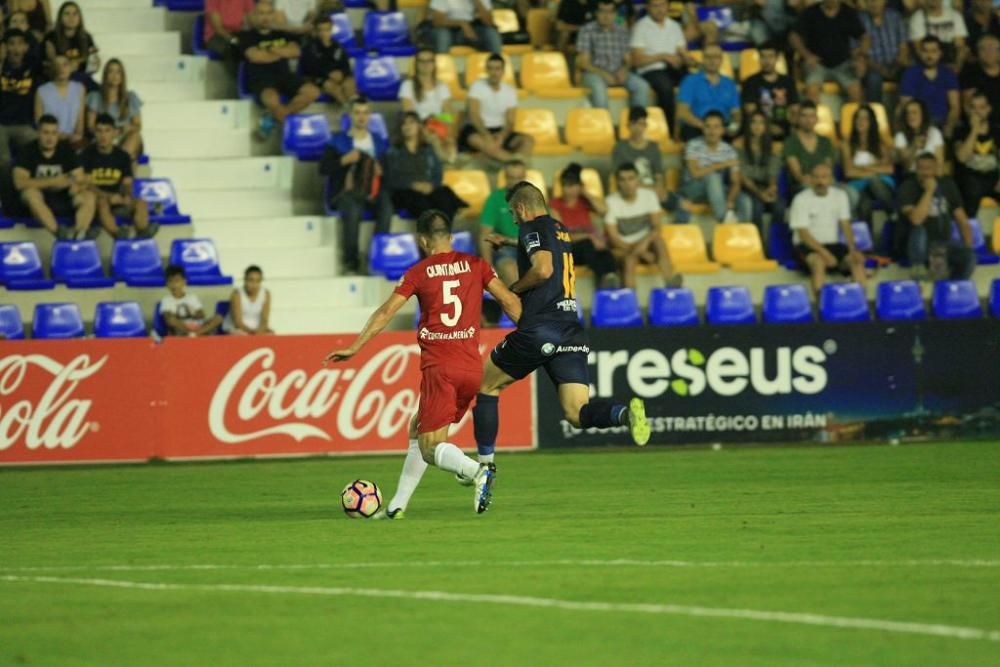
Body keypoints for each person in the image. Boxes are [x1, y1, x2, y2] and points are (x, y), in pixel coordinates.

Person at [325, 209, 522, 517]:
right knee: (419, 427)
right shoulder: (477, 265)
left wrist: (355, 346)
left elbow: (385, 313)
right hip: (472, 368)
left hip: (440, 368)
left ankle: (477, 471)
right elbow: (509, 302)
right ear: (451, 238)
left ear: (422, 241)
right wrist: (534, 336)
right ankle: (396, 506)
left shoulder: (418, 272)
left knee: (431, 447)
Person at [472, 181, 651, 511]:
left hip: (541, 328)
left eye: (514, 214)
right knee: (576, 413)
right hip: (571, 329)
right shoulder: (559, 228)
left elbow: (543, 269)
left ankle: (484, 469)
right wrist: (510, 241)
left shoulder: (530, 227)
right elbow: (546, 250)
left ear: (523, 209)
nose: (514, 220)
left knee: (486, 387)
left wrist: (515, 287)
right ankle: (623, 414)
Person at [318, 95, 390, 275]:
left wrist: (382, 171)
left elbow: (389, 172)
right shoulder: (337, 141)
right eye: (357, 112)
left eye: (365, 113)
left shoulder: (378, 142)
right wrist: (343, 160)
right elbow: (323, 169)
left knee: (387, 205)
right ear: (350, 115)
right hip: (346, 191)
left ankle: (377, 255)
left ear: (370, 115)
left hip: (372, 191)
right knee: (352, 208)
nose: (361, 117)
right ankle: (351, 261)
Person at [238, 0, 320, 140]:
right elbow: (256, 57)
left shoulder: (282, 33)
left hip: (285, 77)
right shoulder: (246, 36)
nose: (265, 17)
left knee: (313, 92)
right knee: (273, 99)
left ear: (273, 15)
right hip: (262, 80)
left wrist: (269, 51)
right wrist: (280, 52)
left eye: (269, 13)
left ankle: (271, 119)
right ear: (255, 15)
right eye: (261, 13)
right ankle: (288, 130)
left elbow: (295, 52)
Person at [13, 114, 95, 239]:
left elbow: (80, 177)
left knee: (88, 196)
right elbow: (19, 183)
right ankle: (60, 234)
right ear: (38, 133)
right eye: (46, 133)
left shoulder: (66, 149)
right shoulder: (27, 151)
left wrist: (75, 184)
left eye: (54, 133)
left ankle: (80, 234)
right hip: (37, 202)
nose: (50, 138)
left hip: (63, 198)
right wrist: (53, 181)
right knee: (30, 193)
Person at [789, 163, 867, 293]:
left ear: (831, 179)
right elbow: (803, 234)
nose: (820, 181)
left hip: (833, 244)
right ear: (810, 179)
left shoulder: (840, 195)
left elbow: (846, 225)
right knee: (819, 262)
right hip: (807, 246)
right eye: (816, 177)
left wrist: (853, 250)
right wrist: (824, 253)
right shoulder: (800, 199)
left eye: (824, 177)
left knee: (856, 261)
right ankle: (822, 308)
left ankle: (859, 304)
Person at [898, 152, 976, 281]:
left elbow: (963, 222)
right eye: (921, 168)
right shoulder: (908, 187)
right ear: (916, 170)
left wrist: (968, 248)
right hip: (918, 246)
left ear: (936, 169)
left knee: (969, 257)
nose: (925, 172)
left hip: (943, 243)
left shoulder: (947, 185)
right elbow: (916, 220)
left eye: (929, 168)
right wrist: (929, 191)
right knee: (919, 230)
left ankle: (953, 286)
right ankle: (919, 270)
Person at [604, 162, 681, 289]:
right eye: (623, 180)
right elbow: (614, 238)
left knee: (658, 241)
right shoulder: (610, 201)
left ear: (637, 180)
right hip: (624, 247)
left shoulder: (649, 196)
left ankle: (670, 283)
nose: (627, 184)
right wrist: (641, 252)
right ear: (618, 183)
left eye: (631, 179)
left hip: (646, 241)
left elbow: (657, 227)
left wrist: (644, 245)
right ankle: (630, 300)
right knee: (629, 260)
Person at [380, 112, 467, 223]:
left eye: (411, 122)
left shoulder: (428, 149)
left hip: (428, 188)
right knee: (423, 203)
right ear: (400, 128)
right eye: (404, 124)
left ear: (418, 126)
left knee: (444, 195)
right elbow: (391, 179)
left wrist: (431, 185)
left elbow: (437, 173)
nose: (408, 126)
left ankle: (443, 233)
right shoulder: (392, 152)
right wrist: (413, 185)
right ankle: (431, 235)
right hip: (406, 191)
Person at [79, 113, 155, 240]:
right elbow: (85, 185)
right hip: (98, 200)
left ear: (114, 133)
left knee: (141, 202)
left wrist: (126, 196)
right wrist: (108, 196)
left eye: (107, 131)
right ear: (95, 133)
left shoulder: (122, 156)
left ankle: (143, 233)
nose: (103, 135)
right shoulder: (86, 155)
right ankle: (119, 235)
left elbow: (127, 183)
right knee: (102, 203)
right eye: (99, 131)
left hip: (117, 200)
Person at [549, 163, 620, 290]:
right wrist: (589, 237)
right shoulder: (555, 205)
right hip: (570, 249)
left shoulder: (584, 202)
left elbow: (603, 210)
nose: (568, 190)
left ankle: (610, 280)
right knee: (588, 244)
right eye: (566, 185)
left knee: (605, 252)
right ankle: (605, 279)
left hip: (591, 248)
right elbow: (561, 235)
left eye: (573, 185)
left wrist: (585, 193)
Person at [676, 110, 750, 224]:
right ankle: (724, 219)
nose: (712, 131)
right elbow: (695, 173)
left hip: (718, 191)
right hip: (693, 189)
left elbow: (735, 182)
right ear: (703, 128)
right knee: (713, 178)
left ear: (723, 130)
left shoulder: (729, 151)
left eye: (716, 127)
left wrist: (730, 200)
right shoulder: (693, 145)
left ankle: (741, 237)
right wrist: (720, 165)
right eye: (708, 127)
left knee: (745, 200)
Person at [458, 53, 533, 162]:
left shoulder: (509, 91)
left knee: (528, 141)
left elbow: (510, 121)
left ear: (503, 71)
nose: (494, 73)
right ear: (487, 70)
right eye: (491, 69)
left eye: (497, 69)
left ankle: (513, 164)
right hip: (477, 130)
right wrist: (487, 136)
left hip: (499, 130)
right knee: (480, 141)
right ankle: (513, 164)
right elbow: (474, 115)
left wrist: (502, 136)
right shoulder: (477, 86)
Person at [575, 0, 649, 110]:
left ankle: (636, 123)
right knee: (599, 88)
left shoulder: (622, 31)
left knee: (642, 86)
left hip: (618, 72)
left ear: (615, 14)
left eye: (610, 12)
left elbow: (628, 60)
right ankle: (604, 125)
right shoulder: (587, 30)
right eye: (602, 12)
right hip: (594, 73)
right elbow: (584, 63)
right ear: (596, 13)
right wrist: (604, 74)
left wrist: (624, 70)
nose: (606, 15)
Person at [789, 0, 866, 103]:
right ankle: (813, 118)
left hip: (843, 64)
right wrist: (807, 56)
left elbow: (864, 37)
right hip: (817, 65)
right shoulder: (811, 12)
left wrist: (860, 56)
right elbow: (793, 36)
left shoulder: (848, 13)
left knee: (856, 93)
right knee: (811, 92)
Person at [629, 0, 689, 131]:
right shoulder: (640, 27)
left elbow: (682, 52)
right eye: (655, 6)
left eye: (662, 5)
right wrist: (662, 56)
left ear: (668, 6)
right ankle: (669, 130)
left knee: (693, 82)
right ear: (648, 7)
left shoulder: (675, 26)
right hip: (650, 70)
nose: (659, 9)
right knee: (666, 88)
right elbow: (636, 61)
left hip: (672, 68)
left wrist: (685, 59)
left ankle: (690, 127)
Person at [841, 105, 896, 226]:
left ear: (871, 122)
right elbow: (849, 172)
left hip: (880, 183)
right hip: (859, 186)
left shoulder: (881, 144)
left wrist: (863, 168)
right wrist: (876, 168)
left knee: (874, 182)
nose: (860, 121)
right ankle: (867, 241)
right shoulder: (847, 144)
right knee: (864, 205)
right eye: (858, 118)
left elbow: (889, 169)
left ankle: (893, 213)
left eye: (865, 118)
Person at [399, 47, 457, 161]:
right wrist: (424, 129)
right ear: (416, 64)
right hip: (417, 127)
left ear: (434, 64)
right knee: (434, 140)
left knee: (449, 146)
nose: (425, 64)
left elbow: (448, 117)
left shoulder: (442, 87)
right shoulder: (407, 85)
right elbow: (409, 116)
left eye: (429, 60)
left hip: (438, 125)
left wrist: (448, 135)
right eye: (422, 61)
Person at [675, 43, 740, 141]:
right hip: (697, 126)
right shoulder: (690, 81)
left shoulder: (729, 83)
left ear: (721, 60)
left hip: (723, 128)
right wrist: (706, 127)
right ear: (703, 59)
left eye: (716, 57)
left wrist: (733, 127)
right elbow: (682, 112)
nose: (712, 61)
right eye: (708, 57)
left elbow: (736, 112)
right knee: (689, 131)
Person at [900, 35, 961, 138]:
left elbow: (955, 106)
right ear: (920, 53)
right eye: (925, 51)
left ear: (940, 53)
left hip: (943, 122)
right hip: (920, 123)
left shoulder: (948, 74)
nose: (929, 55)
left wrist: (949, 125)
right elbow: (906, 106)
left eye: (933, 51)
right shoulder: (910, 74)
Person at [0, 29, 41, 174]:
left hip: (24, 124)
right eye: (11, 44)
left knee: (40, 150)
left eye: (20, 44)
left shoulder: (33, 66)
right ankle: (5, 196)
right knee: (3, 161)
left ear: (26, 47)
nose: (16, 48)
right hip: (1, 125)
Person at [479, 159, 526, 286]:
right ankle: (519, 305)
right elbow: (485, 235)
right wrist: (488, 269)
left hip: (530, 248)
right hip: (505, 250)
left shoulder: (533, 199)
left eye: (519, 177)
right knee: (510, 269)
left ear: (525, 177)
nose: (516, 181)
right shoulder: (495, 199)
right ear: (505, 177)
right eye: (511, 177)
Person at [85, 58, 142, 160]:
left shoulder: (130, 97)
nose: (115, 76)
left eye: (118, 72)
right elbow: (90, 125)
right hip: (102, 137)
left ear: (122, 76)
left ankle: (119, 163)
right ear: (106, 75)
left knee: (135, 136)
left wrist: (123, 130)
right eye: (111, 71)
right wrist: (106, 134)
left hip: (123, 136)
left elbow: (137, 124)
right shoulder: (95, 97)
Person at [954, 91, 1000, 218]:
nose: (977, 111)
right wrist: (974, 130)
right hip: (970, 180)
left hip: (993, 178)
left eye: (981, 107)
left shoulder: (996, 131)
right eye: (973, 107)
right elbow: (962, 158)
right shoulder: (961, 131)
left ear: (989, 109)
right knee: (971, 187)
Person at [740, 42, 799, 140]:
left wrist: (792, 125)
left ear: (777, 58)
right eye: (763, 57)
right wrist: (768, 127)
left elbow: (795, 110)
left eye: (770, 57)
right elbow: (750, 111)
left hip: (785, 131)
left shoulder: (788, 82)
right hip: (759, 131)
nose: (766, 61)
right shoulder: (750, 82)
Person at [737, 110, 784, 231]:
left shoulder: (773, 147)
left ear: (766, 126)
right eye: (753, 122)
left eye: (761, 123)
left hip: (766, 185)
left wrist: (772, 187)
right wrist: (759, 193)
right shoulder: (739, 145)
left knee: (779, 206)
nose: (757, 126)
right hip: (747, 187)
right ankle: (759, 244)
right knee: (756, 207)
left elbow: (772, 172)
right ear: (748, 125)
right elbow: (743, 175)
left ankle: (775, 244)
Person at [611, 106, 666, 203]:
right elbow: (620, 178)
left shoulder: (653, 147)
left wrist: (659, 189)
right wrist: (651, 190)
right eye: (634, 124)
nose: (637, 128)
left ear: (646, 126)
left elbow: (659, 175)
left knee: (680, 203)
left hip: (653, 192)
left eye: (641, 124)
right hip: (631, 192)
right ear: (628, 126)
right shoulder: (620, 148)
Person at [858, 0, 909, 104]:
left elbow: (903, 47)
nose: (874, 3)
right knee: (874, 79)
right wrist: (881, 69)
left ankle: (903, 112)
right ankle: (875, 113)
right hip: (872, 67)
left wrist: (897, 65)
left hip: (895, 65)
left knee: (910, 74)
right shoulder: (859, 20)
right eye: (871, 1)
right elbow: (859, 53)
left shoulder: (895, 17)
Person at [299, 13, 354, 107]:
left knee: (349, 82)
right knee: (331, 85)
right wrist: (329, 74)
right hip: (318, 79)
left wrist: (342, 74)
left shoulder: (338, 47)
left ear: (331, 29)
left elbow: (346, 67)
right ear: (315, 31)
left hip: (336, 77)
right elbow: (310, 69)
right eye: (321, 30)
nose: (324, 33)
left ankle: (354, 105)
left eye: (327, 29)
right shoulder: (309, 48)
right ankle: (347, 109)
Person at [782, 101, 838, 193]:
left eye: (812, 116)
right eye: (804, 116)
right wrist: (818, 179)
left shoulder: (825, 141)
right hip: (803, 185)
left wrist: (821, 179)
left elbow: (828, 169)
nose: (808, 120)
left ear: (816, 119)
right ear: (798, 118)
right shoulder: (790, 142)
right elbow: (798, 176)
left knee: (850, 193)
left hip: (825, 182)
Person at [43, 1, 97, 90]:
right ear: (60, 17)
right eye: (67, 14)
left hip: (81, 78)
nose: (71, 17)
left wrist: (95, 64)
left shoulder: (86, 37)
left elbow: (90, 67)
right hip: (58, 79)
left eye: (75, 14)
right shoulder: (51, 37)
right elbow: (44, 66)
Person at [34, 54, 84, 147]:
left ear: (70, 67)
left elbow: (80, 119)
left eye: (65, 64)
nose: (61, 68)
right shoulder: (42, 90)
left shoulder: (79, 88)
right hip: (50, 139)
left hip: (73, 139)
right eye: (57, 65)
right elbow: (39, 122)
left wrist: (77, 135)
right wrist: (57, 136)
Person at [160, 265, 224, 337]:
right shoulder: (166, 300)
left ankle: (195, 334)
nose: (174, 285)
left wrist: (193, 319)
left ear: (184, 282)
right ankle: (195, 334)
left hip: (197, 326)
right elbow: (168, 318)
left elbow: (201, 315)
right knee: (172, 321)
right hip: (181, 328)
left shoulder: (192, 297)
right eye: (170, 281)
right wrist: (187, 320)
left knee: (218, 318)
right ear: (167, 284)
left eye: (177, 281)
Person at [908, 0, 968, 70]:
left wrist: (957, 66)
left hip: (950, 63)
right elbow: (918, 49)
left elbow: (960, 46)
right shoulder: (917, 17)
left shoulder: (955, 15)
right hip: (927, 64)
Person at [428, 0, 503, 55]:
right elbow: (437, 21)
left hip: (471, 29)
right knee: (443, 36)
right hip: (447, 29)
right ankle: (442, 71)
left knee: (492, 33)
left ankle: (497, 69)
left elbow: (489, 22)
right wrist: (462, 23)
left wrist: (477, 2)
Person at [893, 98, 945, 171]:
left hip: (933, 175)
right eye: (908, 113)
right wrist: (914, 147)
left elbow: (940, 164)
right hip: (911, 176)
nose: (910, 116)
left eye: (914, 112)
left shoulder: (934, 132)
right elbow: (906, 166)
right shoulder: (900, 136)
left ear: (923, 115)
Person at [204, 0, 255, 72]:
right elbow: (219, 29)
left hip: (238, 34)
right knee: (232, 49)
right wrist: (235, 41)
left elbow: (253, 19)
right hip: (216, 36)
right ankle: (237, 80)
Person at [223, 265, 274, 334]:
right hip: (238, 328)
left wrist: (260, 329)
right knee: (241, 335)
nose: (254, 284)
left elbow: (264, 319)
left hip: (256, 328)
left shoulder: (266, 294)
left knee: (271, 334)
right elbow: (237, 322)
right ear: (245, 280)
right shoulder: (237, 294)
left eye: (258, 281)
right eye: (251, 280)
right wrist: (251, 332)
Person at [960, 34, 1000, 122]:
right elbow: (968, 104)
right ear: (977, 52)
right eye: (983, 49)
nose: (988, 52)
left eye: (992, 48)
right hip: (982, 123)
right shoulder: (970, 73)